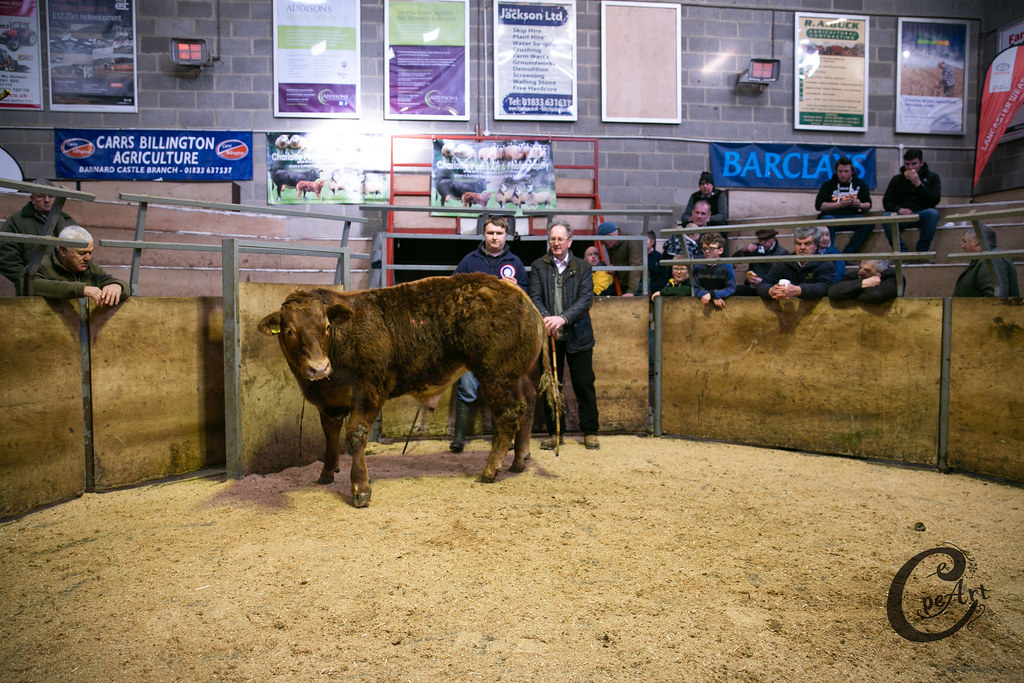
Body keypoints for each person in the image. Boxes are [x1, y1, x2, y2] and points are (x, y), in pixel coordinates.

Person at [449, 215, 527, 452]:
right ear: (484, 234)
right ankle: (459, 438)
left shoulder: (515, 262)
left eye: (499, 233)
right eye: (491, 233)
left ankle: (501, 438)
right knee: (467, 386)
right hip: (473, 335)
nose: (495, 237)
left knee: (501, 389)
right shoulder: (469, 261)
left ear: (506, 235)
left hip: (502, 338)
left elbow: (526, 296)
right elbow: (452, 291)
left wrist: (516, 288)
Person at [528, 220, 600, 450]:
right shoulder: (539, 265)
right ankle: (554, 432)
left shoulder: (583, 267)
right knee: (552, 385)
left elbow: (584, 300)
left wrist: (563, 318)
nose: (556, 243)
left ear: (570, 241)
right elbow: (535, 296)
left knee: (584, 384)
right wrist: (548, 317)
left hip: (578, 335)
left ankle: (590, 431)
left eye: (560, 239)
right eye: (552, 239)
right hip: (550, 335)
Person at [1, 179, 78, 295]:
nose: (47, 200)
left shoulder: (68, 221)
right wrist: (26, 280)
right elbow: (5, 257)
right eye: (40, 196)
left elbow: (82, 253)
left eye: (51, 196)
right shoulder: (17, 221)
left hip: (65, 288)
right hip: (33, 291)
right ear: (32, 199)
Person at [32, 225, 129, 305]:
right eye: (81, 253)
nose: (88, 258)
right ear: (62, 250)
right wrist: (81, 290)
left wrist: (117, 286)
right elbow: (33, 286)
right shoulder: (42, 265)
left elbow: (114, 283)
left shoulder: (90, 267)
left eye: (90, 253)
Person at [881, 148, 941, 252]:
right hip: (902, 215)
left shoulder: (932, 177)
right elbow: (887, 201)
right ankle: (901, 251)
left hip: (922, 213)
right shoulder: (897, 180)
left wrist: (919, 184)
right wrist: (899, 209)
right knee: (886, 217)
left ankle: (922, 251)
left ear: (921, 163)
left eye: (914, 164)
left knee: (933, 214)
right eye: (907, 164)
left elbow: (934, 200)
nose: (910, 167)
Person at [757, 226, 836, 301]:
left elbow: (825, 286)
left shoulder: (824, 263)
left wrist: (799, 290)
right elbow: (763, 285)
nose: (802, 247)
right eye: (798, 244)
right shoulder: (784, 261)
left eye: (807, 244)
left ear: (816, 245)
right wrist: (772, 291)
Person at [813, 156, 872, 251]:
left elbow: (868, 205)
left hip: (852, 216)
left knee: (869, 223)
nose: (843, 174)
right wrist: (839, 204)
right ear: (836, 172)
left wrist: (859, 204)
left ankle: (848, 253)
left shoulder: (860, 184)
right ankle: (830, 252)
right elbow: (819, 206)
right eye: (840, 171)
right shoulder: (828, 184)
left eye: (846, 171)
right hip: (832, 217)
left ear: (852, 172)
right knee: (825, 220)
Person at [953, 225, 1020, 298]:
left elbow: (994, 299)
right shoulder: (987, 259)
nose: (963, 246)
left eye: (965, 242)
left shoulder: (991, 260)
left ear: (976, 241)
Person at [733, 229, 788, 296]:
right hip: (752, 287)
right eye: (760, 240)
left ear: (773, 239)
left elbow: (782, 277)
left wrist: (763, 282)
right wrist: (745, 250)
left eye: (765, 240)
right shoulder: (755, 248)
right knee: (734, 290)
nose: (762, 243)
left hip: (770, 288)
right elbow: (735, 259)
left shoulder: (782, 253)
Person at [596, 221, 643, 296]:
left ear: (610, 236)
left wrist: (631, 291)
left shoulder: (632, 241)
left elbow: (636, 265)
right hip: (623, 283)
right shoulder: (613, 245)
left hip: (637, 285)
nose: (603, 244)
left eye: (603, 241)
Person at [693, 233, 734, 309]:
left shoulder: (727, 266)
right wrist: (710, 296)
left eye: (711, 249)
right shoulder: (698, 267)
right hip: (704, 301)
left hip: (723, 303)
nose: (707, 251)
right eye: (705, 248)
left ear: (720, 250)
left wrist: (714, 295)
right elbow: (696, 288)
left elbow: (730, 288)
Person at [827, 259, 898, 304]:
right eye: (860, 268)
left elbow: (876, 296)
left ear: (879, 272)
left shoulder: (891, 277)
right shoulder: (857, 274)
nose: (860, 273)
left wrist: (848, 293)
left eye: (867, 270)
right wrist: (863, 283)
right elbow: (833, 291)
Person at [646, 230, 669, 294]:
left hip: (655, 290)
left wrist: (652, 289)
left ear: (652, 242)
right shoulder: (636, 257)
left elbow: (664, 276)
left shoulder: (659, 257)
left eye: (645, 240)